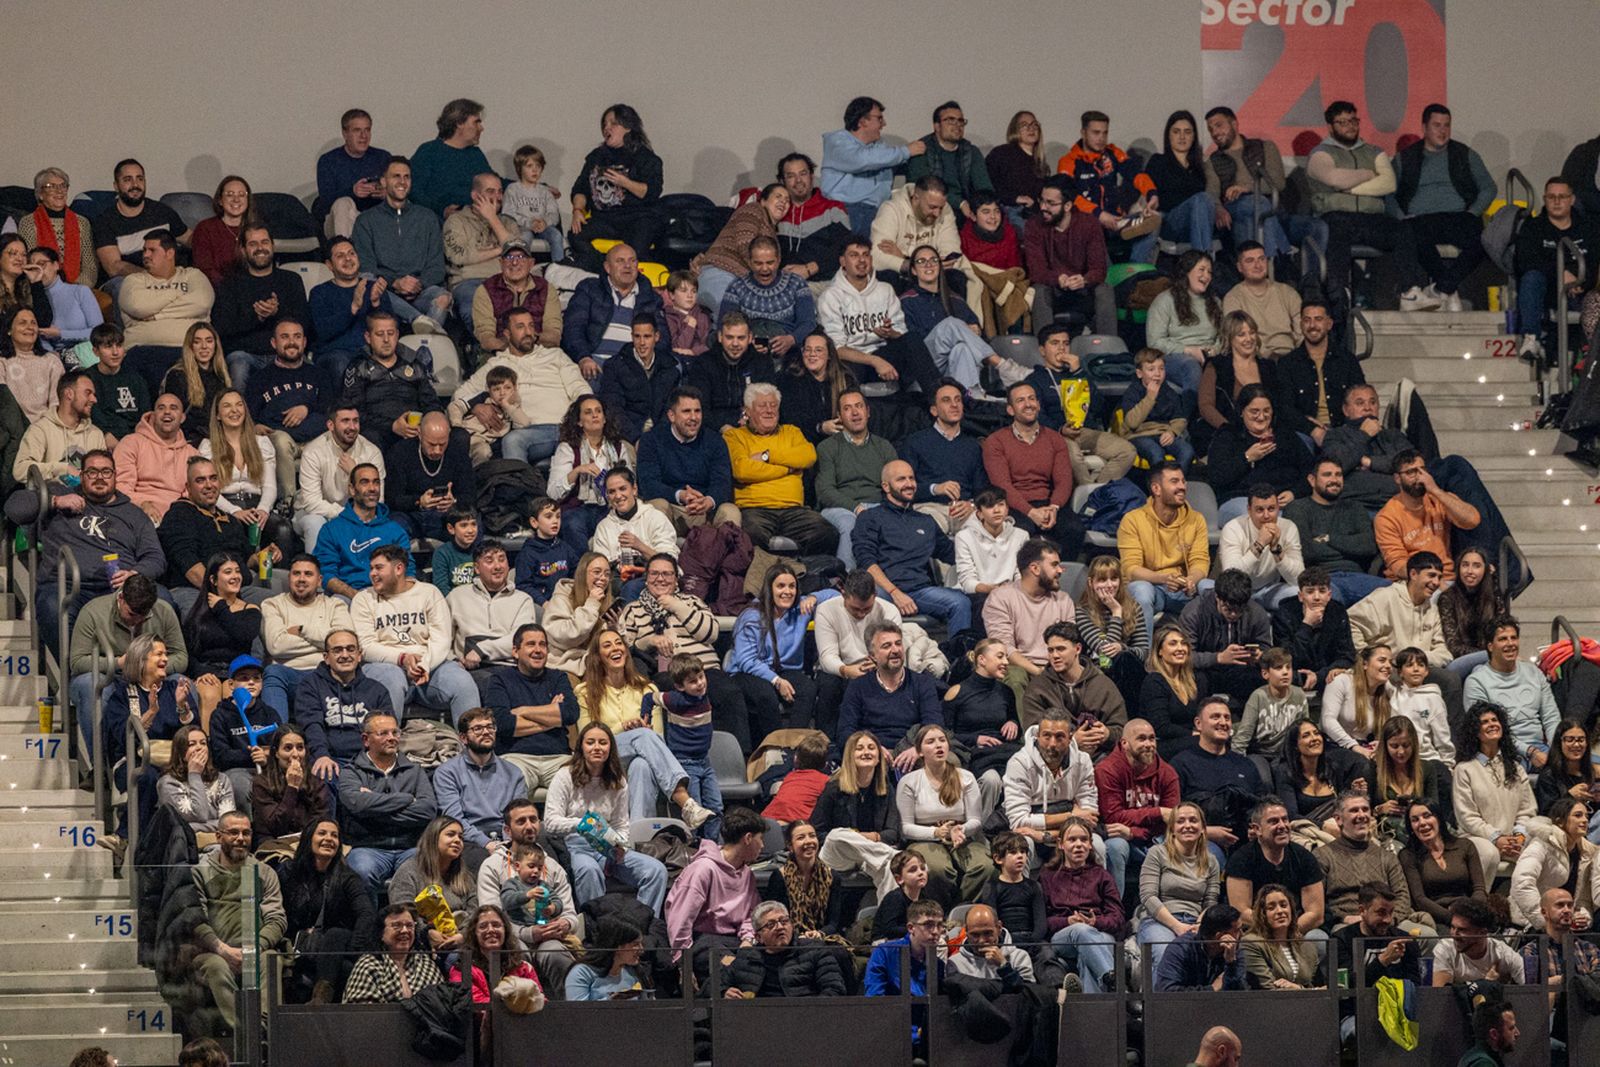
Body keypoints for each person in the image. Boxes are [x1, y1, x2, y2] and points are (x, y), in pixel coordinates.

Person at [3, 448, 166, 653]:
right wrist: (54, 502)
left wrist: (134, 574)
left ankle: (138, 666)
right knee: (52, 606)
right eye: (92, 472)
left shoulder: (133, 513)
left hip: (119, 588)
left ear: (115, 476)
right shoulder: (60, 494)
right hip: (65, 585)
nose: (99, 477)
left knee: (162, 599)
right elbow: (14, 508)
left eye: (106, 472)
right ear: (81, 476)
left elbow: (155, 557)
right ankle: (80, 668)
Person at [573, 627, 715, 829]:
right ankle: (683, 799)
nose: (615, 648)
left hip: (637, 757)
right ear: (598, 656)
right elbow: (586, 737)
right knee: (642, 735)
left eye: (619, 643)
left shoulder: (647, 688)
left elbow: (658, 738)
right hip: (601, 757)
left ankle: (638, 835)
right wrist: (624, 728)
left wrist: (643, 730)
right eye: (607, 645)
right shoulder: (584, 692)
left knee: (642, 764)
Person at [1306, 101, 1432, 315]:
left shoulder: (1374, 152)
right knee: (1335, 230)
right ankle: (1339, 295)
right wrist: (1367, 174)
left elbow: (1388, 184)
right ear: (1330, 127)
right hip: (1335, 215)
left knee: (1403, 229)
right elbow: (1334, 178)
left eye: (1353, 121)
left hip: (1371, 217)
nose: (1350, 126)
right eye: (1342, 122)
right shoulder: (1320, 154)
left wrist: (1349, 189)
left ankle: (1410, 292)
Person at [544, 722, 670, 913]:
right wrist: (583, 824)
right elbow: (550, 822)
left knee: (655, 870)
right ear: (581, 747)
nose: (597, 747)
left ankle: (643, 923)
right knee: (589, 870)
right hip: (576, 846)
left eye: (603, 742)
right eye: (590, 742)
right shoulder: (565, 776)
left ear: (610, 747)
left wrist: (620, 845)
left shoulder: (618, 780)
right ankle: (598, 926)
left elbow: (621, 823)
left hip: (607, 845)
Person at [351, 544, 477, 724]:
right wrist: (402, 658)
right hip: (383, 666)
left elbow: (441, 639)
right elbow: (366, 647)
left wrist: (424, 665)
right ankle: (387, 740)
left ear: (399, 569)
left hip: (430, 666)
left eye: (379, 568)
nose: (372, 573)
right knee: (391, 677)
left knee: (462, 681)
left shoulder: (429, 593)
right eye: (371, 568)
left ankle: (473, 741)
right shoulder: (363, 599)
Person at [453, 310, 591, 468]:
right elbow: (459, 394)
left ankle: (521, 482)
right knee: (512, 440)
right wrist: (476, 407)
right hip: (528, 433)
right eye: (520, 327)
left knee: (513, 440)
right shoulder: (497, 364)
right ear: (507, 334)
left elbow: (580, 389)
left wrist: (585, 418)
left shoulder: (555, 355)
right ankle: (521, 483)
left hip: (564, 427)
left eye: (531, 326)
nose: (528, 332)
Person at [1394, 105, 1495, 312]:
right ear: (1424, 127)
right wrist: (1400, 216)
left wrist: (1473, 211)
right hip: (1420, 218)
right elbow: (1388, 194)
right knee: (1412, 234)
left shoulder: (1465, 154)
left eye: (1447, 125)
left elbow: (1488, 187)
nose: (1443, 131)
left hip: (1458, 216)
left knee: (1484, 241)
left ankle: (1442, 287)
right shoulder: (1405, 158)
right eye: (1437, 125)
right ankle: (1449, 289)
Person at [191, 811, 286, 1031]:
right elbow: (196, 920)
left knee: (271, 960)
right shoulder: (200, 872)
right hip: (214, 952)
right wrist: (222, 950)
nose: (240, 838)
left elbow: (277, 919)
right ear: (218, 836)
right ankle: (246, 1031)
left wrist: (255, 948)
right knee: (216, 966)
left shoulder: (265, 872)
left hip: (256, 950)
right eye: (233, 832)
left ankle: (265, 1028)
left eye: (246, 833)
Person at [854, 458, 971, 631]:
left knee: (960, 602)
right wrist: (895, 592)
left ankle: (958, 648)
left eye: (912, 478)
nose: (909, 484)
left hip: (919, 591)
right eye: (901, 479)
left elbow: (954, 554)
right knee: (871, 598)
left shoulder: (926, 521)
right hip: (882, 590)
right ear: (886, 486)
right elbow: (866, 562)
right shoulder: (870, 517)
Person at [816, 237, 941, 396]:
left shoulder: (885, 290)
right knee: (843, 370)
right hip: (853, 360)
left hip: (882, 352)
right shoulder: (830, 297)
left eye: (866, 254)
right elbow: (836, 349)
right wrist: (875, 361)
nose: (862, 260)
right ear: (843, 261)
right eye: (854, 255)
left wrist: (890, 333)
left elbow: (901, 333)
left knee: (912, 339)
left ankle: (938, 398)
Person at [477, 801, 581, 991]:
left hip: (549, 936)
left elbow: (570, 914)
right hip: (512, 937)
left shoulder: (553, 866)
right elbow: (491, 918)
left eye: (533, 820)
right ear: (507, 830)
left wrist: (565, 924)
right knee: (518, 952)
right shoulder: (492, 866)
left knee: (555, 952)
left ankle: (568, 1007)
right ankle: (516, 1008)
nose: (529, 826)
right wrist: (528, 933)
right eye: (521, 821)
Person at [723, 381, 837, 554]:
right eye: (762, 405)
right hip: (754, 510)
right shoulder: (734, 436)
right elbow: (742, 470)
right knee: (749, 535)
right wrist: (789, 469)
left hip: (794, 511)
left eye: (773, 405)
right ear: (747, 411)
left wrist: (767, 456)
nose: (769, 410)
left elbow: (809, 455)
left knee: (827, 534)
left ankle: (804, 569)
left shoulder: (792, 432)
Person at [337, 711, 438, 898]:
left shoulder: (414, 771)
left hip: (410, 847)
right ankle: (367, 918)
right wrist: (407, 799)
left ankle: (414, 918)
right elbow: (358, 805)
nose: (391, 738)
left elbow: (428, 811)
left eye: (395, 732)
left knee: (427, 869)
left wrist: (373, 807)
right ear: (366, 740)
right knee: (361, 871)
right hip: (367, 848)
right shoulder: (351, 772)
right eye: (383, 733)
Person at [159, 457, 278, 613]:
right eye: (200, 480)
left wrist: (263, 556)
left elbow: (246, 560)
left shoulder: (230, 520)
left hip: (238, 591)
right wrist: (225, 600)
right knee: (206, 618)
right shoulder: (179, 515)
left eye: (213, 478)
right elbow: (191, 568)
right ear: (188, 487)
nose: (209, 485)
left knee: (279, 605)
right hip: (194, 590)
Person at [276, 817, 374, 1003]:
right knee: (343, 969)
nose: (329, 839)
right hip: (298, 946)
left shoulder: (347, 877)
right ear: (308, 838)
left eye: (334, 835)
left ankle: (320, 998)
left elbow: (366, 914)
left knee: (335, 935)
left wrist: (354, 951)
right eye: (322, 833)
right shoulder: (289, 873)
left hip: (338, 947)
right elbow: (280, 913)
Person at [1026, 322, 1137, 485]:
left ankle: (1097, 492)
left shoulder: (1078, 373)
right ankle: (1088, 495)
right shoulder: (1034, 380)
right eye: (1055, 343)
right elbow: (1037, 416)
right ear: (1042, 350)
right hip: (1057, 434)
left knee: (1127, 451)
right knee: (1074, 455)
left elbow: (1098, 406)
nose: (1061, 349)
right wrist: (1061, 429)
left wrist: (1079, 373)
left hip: (1085, 431)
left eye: (1065, 344)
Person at [349, 156, 451, 332]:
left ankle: (424, 337)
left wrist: (418, 284)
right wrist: (395, 282)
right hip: (385, 292)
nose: (402, 182)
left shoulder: (427, 217)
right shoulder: (365, 221)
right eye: (396, 176)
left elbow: (437, 267)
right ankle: (420, 322)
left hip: (420, 291)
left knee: (443, 297)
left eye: (407, 177)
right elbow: (366, 266)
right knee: (369, 284)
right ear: (383, 181)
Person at [1116, 462, 1213, 645]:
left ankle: (1209, 654)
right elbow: (1131, 569)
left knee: (1210, 587)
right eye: (1174, 481)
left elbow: (1200, 561)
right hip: (1153, 587)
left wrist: (1191, 579)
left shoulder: (1196, 519)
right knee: (1141, 589)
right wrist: (1163, 578)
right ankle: (1143, 655)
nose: (1182, 486)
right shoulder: (1133, 520)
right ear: (1156, 489)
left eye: (1183, 481)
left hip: (1183, 589)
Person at [899, 723, 995, 907]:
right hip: (924, 838)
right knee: (937, 869)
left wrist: (961, 829)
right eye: (930, 742)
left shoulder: (965, 777)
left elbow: (976, 820)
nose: (938, 745)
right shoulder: (909, 782)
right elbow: (906, 828)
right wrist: (936, 832)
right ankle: (939, 911)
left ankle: (960, 910)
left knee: (986, 866)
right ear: (919, 751)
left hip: (960, 836)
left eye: (942, 740)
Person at [983, 382, 1081, 550]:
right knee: (1022, 532)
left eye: (1032, 399)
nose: (1028, 404)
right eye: (1021, 400)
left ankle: (1061, 567)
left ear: (1038, 405)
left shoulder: (1055, 439)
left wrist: (1053, 508)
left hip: (1048, 502)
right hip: (1013, 504)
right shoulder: (995, 441)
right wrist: (1031, 512)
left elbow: (1064, 481)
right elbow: (1002, 485)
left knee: (1074, 529)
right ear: (1010, 410)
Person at [664, 806, 762, 974]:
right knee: (733, 970)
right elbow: (681, 920)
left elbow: (751, 915)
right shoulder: (702, 869)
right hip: (703, 941)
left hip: (735, 940)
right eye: (760, 839)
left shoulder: (747, 873)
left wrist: (747, 940)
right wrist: (683, 964)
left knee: (762, 964)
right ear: (748, 838)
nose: (763, 845)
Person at [1317, 791, 1435, 931]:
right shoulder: (1323, 855)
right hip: (1347, 923)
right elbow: (1318, 904)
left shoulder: (1387, 856)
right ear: (1338, 819)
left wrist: (1388, 919)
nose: (1361, 815)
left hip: (1388, 922)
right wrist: (1343, 917)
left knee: (1427, 935)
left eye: (1365, 809)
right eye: (1354, 810)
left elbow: (1402, 897)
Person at [213, 224, 311, 391]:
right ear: (243, 250)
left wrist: (277, 313)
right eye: (253, 244)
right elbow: (222, 327)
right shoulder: (230, 284)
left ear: (272, 246)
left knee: (313, 371)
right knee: (239, 365)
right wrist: (256, 317)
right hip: (245, 355)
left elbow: (305, 322)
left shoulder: (291, 280)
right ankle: (238, 408)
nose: (260, 248)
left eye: (264, 242)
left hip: (285, 353)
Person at [569, 104, 666, 272]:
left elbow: (651, 192)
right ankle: (604, 267)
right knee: (575, 235)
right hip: (605, 218)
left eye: (613, 123)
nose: (607, 128)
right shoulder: (596, 157)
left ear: (628, 127)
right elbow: (580, 189)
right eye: (604, 124)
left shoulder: (645, 157)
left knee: (637, 249)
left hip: (636, 218)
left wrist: (625, 182)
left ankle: (622, 271)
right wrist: (577, 210)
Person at [832, 620, 943, 763]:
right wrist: (871, 748)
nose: (895, 650)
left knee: (946, 760)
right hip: (873, 752)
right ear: (872, 656)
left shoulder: (922, 683)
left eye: (898, 643)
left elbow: (934, 724)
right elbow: (845, 731)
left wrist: (919, 748)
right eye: (887, 646)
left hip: (912, 749)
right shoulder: (858, 686)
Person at [1516, 177, 1600, 363]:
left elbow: (1594, 262)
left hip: (1582, 290)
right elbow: (1526, 261)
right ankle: (1530, 338)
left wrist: (1580, 281)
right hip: (1547, 292)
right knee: (1531, 278)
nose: (1556, 201)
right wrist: (1560, 273)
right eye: (1551, 197)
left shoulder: (1588, 228)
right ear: (1545, 199)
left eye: (1562, 196)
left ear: (1572, 199)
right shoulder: (1533, 227)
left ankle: (1592, 355)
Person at [1204, 358, 1310, 505]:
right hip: (1241, 499)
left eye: (1266, 411)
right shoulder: (1228, 436)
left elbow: (1310, 470)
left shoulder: (1285, 435)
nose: (1261, 417)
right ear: (1242, 412)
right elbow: (1217, 477)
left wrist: (1294, 493)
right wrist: (1247, 457)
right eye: (1254, 411)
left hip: (1284, 500)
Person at [871, 177, 983, 315]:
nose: (937, 213)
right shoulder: (891, 209)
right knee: (888, 276)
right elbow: (876, 257)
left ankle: (958, 324)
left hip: (934, 273)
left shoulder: (945, 210)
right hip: (903, 275)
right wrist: (912, 265)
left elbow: (950, 253)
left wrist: (905, 257)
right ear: (916, 198)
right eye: (932, 207)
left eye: (940, 208)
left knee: (956, 277)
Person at [1454, 702, 1539, 882]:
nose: (1492, 724)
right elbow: (1467, 817)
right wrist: (1497, 838)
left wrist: (1519, 836)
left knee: (1539, 852)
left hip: (1512, 838)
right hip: (1477, 838)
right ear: (1475, 731)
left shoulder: (1516, 768)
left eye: (1494, 720)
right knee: (1489, 852)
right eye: (1484, 722)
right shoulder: (1464, 769)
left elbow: (1526, 811)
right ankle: (1478, 899)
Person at [1282, 459, 1386, 605]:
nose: (1334, 480)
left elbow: (1368, 547)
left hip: (1358, 576)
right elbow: (1307, 552)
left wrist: (1328, 539)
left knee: (1397, 593)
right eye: (1327, 475)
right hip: (1320, 579)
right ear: (1312, 480)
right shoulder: (1297, 509)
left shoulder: (1355, 508)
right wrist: (1350, 546)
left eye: (1338, 475)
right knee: (1328, 600)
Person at [118, 232, 215, 388]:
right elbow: (139, 306)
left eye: (152, 250)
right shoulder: (134, 280)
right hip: (142, 351)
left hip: (188, 350)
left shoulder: (192, 275)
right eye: (144, 250)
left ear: (170, 253)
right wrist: (176, 293)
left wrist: (157, 315)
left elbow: (202, 302)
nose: (146, 255)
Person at [245, 320, 331, 497]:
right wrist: (255, 426)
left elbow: (330, 409)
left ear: (304, 342)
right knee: (281, 440)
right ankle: (288, 502)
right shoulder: (260, 378)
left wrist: (306, 408)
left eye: (297, 337)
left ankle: (330, 502)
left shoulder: (319, 375)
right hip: (282, 440)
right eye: (285, 337)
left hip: (315, 439)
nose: (292, 342)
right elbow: (250, 415)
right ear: (274, 343)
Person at [340, 309, 442, 456]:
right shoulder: (358, 367)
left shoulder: (414, 363)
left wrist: (426, 424)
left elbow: (432, 403)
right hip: (377, 432)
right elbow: (353, 412)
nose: (386, 340)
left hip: (414, 430)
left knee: (456, 435)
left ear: (397, 335)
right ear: (368, 337)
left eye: (391, 333)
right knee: (370, 438)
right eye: (380, 334)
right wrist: (392, 426)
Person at [1001, 708, 1100, 858]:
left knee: (1098, 846)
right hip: (1036, 836)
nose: (1052, 743)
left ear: (1070, 738)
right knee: (1022, 843)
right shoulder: (1019, 763)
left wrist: (1046, 835)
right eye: (1047, 736)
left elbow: (1089, 817)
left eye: (1059, 737)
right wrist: (1071, 816)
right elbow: (1019, 822)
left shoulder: (1083, 761)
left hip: (1065, 834)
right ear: (1038, 736)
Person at [1224, 798, 1326, 944]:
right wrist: (1273, 931)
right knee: (1249, 942)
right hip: (1256, 931)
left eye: (1285, 819)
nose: (1282, 826)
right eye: (1274, 821)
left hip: (1297, 931)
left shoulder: (1304, 857)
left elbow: (1316, 914)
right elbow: (1240, 911)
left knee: (1318, 938)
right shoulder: (1241, 859)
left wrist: (1286, 932)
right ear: (1257, 829)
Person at [637, 387, 738, 532]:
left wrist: (709, 501)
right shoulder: (651, 440)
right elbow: (649, 484)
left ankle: (727, 548)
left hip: (706, 509)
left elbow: (723, 483)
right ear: (671, 416)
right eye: (686, 411)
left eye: (697, 411)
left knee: (730, 511)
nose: (693, 417)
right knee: (657, 506)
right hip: (673, 507)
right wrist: (681, 495)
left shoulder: (715, 441)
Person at [821, 96, 926, 236]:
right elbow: (861, 160)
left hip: (878, 212)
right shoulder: (837, 143)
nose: (884, 124)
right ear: (863, 121)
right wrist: (906, 151)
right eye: (879, 118)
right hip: (848, 211)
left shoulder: (880, 148)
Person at [1465, 617, 1560, 770]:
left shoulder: (1534, 672)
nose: (1510, 644)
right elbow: (1486, 730)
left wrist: (1558, 749)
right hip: (1502, 749)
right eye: (1503, 639)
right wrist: (1530, 751)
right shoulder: (1476, 682)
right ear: (1490, 646)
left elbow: (1551, 717)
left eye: (1514, 638)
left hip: (1541, 747)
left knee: (1590, 765)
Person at [433, 709, 529, 860]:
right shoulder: (447, 772)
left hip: (508, 837)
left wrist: (507, 843)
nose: (486, 732)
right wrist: (487, 843)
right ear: (463, 738)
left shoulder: (513, 772)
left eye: (490, 727)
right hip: (468, 839)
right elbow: (454, 819)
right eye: (478, 728)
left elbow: (519, 814)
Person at [1042, 815, 1124, 992]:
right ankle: (1117, 985)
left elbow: (1117, 918)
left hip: (1099, 932)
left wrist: (1095, 922)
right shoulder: (1047, 877)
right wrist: (1067, 921)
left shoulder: (1101, 875)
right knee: (1081, 931)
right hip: (1063, 937)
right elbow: (1042, 922)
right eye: (1072, 840)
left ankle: (1093, 1006)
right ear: (1061, 844)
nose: (1078, 844)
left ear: (1090, 844)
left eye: (1084, 839)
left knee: (1087, 954)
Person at [1024, 176, 1115, 335]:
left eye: (1051, 203)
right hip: (1052, 288)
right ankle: (1044, 344)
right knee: (1039, 290)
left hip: (1083, 289)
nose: (1043, 207)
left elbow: (1099, 269)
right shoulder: (1034, 225)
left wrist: (1084, 280)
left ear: (1067, 206)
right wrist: (1058, 278)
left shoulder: (1089, 224)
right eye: (1042, 201)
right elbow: (1036, 271)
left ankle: (1107, 345)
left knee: (1104, 290)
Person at [1136, 801, 1220, 973]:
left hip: (1195, 923)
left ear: (1202, 828)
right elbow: (1148, 897)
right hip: (1159, 921)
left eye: (1193, 820)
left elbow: (1210, 902)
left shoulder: (1211, 861)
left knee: (1201, 957)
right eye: (1181, 821)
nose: (1187, 825)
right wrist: (1177, 926)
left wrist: (1199, 925)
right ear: (1172, 829)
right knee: (1167, 954)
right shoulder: (1157, 853)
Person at [292, 402, 385, 552]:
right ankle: (316, 567)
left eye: (355, 421)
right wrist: (347, 515)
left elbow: (376, 500)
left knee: (376, 523)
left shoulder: (371, 452)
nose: (352, 427)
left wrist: (355, 472)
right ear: (331, 425)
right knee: (315, 523)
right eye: (345, 421)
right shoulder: (313, 452)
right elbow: (312, 502)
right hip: (316, 513)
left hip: (359, 515)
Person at [900, 379, 990, 534]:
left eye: (958, 400)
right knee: (928, 530)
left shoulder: (973, 446)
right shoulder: (915, 442)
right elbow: (902, 488)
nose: (954, 405)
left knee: (992, 529)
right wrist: (936, 488)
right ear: (934, 410)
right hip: (930, 508)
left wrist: (972, 504)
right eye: (946, 400)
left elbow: (981, 488)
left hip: (965, 510)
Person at [1374, 452, 1481, 581]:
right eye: (1411, 472)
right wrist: (1432, 579)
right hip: (1411, 581)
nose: (1419, 477)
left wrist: (1436, 490)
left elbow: (1472, 521)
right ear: (1397, 478)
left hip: (1447, 578)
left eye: (1422, 470)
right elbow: (1399, 565)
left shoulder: (1438, 499)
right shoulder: (1386, 517)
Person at [1021, 620, 1127, 749]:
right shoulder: (1038, 687)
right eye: (1050, 650)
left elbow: (1122, 730)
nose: (1055, 655)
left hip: (1099, 754)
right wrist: (1071, 741)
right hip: (1055, 756)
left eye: (1061, 649)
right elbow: (1032, 734)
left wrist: (1107, 734)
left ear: (1077, 649)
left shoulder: (1102, 684)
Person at [1134, 110, 1222, 265]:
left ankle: (1202, 265)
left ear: (1194, 136)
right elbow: (1147, 193)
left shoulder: (1201, 166)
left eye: (1187, 132)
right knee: (1200, 199)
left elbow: (1212, 193)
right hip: (1169, 222)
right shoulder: (1158, 161)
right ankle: (1203, 264)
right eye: (1176, 132)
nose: (1182, 137)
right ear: (1169, 136)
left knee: (1203, 201)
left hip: (1198, 222)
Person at [1178, 569, 1274, 708]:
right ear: (1217, 597)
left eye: (1239, 610)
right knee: (1195, 679)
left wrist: (1260, 656)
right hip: (1205, 671)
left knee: (1263, 677)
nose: (1234, 614)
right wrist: (1218, 658)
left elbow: (1266, 648)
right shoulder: (1194, 612)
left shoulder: (1256, 613)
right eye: (1228, 609)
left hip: (1240, 670)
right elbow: (1184, 656)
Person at [313, 463, 409, 599]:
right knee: (338, 602)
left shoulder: (395, 530)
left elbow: (407, 570)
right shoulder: (331, 530)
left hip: (388, 596)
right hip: (347, 596)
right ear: (352, 489)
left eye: (376, 482)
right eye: (365, 482)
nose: (372, 488)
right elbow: (326, 574)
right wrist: (358, 597)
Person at [716, 900, 848, 998]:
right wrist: (724, 992)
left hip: (805, 1017)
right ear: (758, 937)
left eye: (784, 921)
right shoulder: (745, 957)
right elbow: (714, 986)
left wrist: (811, 1012)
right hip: (758, 1019)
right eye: (771, 924)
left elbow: (834, 989)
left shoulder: (814, 949)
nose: (780, 927)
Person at [1348, 552, 1452, 675]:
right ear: (1413, 574)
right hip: (1387, 671)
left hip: (1418, 671)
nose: (1436, 582)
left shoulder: (1433, 610)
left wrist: (1414, 659)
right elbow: (1350, 623)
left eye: (1439, 577)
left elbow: (1444, 652)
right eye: (1431, 575)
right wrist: (1369, 658)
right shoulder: (1386, 597)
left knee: (1449, 677)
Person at [1278, 302, 1365, 446]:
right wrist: (1312, 429)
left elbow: (1361, 397)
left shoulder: (1347, 360)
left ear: (1329, 324)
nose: (1312, 325)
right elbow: (1285, 408)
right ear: (1301, 325)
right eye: (1307, 320)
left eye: (1318, 319)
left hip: (1343, 430)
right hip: (1304, 432)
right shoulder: (1288, 363)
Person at [694, 182, 788, 315]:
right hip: (722, 273)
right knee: (732, 317)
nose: (783, 202)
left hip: (739, 282)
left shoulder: (772, 233)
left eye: (787, 200)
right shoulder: (754, 209)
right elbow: (745, 244)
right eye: (778, 196)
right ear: (763, 201)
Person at [92, 159, 189, 285]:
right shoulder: (104, 221)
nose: (135, 185)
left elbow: (190, 239)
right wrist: (152, 277)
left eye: (140, 179)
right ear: (116, 186)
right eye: (127, 179)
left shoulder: (162, 212)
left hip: (169, 280)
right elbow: (114, 267)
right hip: (128, 281)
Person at [382, 411, 475, 543]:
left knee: (471, 525)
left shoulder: (458, 453)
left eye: (442, 444)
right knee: (393, 527)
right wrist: (419, 501)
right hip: (411, 514)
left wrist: (454, 501)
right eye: (431, 444)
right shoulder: (400, 452)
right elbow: (393, 499)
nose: (437, 450)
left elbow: (470, 495)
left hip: (446, 516)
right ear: (420, 434)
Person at [440, 173, 521, 323]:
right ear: (475, 195)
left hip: (504, 281)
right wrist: (500, 250)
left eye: (500, 191)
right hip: (468, 281)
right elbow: (459, 256)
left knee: (520, 315)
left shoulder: (508, 223)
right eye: (490, 191)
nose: (497, 197)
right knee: (476, 311)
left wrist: (492, 218)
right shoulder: (456, 221)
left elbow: (516, 254)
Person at [388, 815, 477, 950]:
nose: (457, 840)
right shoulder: (409, 870)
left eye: (461, 837)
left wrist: (462, 936)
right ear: (433, 838)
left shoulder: (464, 876)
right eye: (450, 834)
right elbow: (402, 910)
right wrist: (426, 933)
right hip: (418, 944)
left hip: (460, 943)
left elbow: (474, 911)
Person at [1144, 250, 1220, 396]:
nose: (1206, 276)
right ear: (1187, 271)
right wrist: (1188, 350)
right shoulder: (1164, 300)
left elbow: (1223, 336)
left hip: (1209, 356)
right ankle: (1191, 409)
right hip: (1175, 358)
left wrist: (1213, 350)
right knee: (1191, 366)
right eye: (1201, 270)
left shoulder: (1215, 302)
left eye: (1209, 272)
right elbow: (1154, 342)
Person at [113, 391, 196, 523]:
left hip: (179, 517)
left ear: (182, 417)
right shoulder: (131, 443)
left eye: (173, 408)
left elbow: (193, 494)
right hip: (137, 513)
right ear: (153, 415)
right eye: (161, 408)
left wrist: (179, 513)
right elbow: (120, 487)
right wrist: (142, 504)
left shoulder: (192, 454)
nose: (167, 412)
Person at [467, 240, 562, 355]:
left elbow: (553, 336)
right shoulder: (486, 290)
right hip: (500, 354)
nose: (515, 262)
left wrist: (527, 341)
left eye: (521, 257)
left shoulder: (546, 289)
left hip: (541, 352)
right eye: (509, 257)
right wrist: (516, 345)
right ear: (501, 263)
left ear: (531, 263)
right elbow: (487, 340)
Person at [1273, 717, 1373, 825]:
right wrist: (1322, 826)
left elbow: (1341, 808)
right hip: (1305, 830)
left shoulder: (1332, 768)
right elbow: (1291, 816)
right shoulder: (1285, 773)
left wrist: (1355, 793)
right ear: (1295, 745)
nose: (1314, 738)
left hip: (1336, 827)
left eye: (1316, 733)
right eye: (1306, 735)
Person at [1218, 484, 1304, 608]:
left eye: (1271, 509)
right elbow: (1231, 578)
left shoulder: (1289, 527)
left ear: (1278, 508)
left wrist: (1276, 550)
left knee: (1300, 594)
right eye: (1259, 510)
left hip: (1270, 590)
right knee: (1205, 586)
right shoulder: (1233, 528)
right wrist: (1259, 544)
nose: (1266, 516)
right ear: (1249, 510)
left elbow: (1298, 579)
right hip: (1237, 593)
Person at [12, 369, 105, 483]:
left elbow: (105, 472)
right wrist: (62, 469)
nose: (94, 399)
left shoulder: (96, 434)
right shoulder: (41, 430)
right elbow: (20, 470)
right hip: (52, 493)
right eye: (88, 393)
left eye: (93, 395)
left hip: (88, 494)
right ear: (69, 394)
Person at [1331, 882, 1423, 995]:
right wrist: (1383, 960)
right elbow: (1346, 986)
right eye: (1381, 913)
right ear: (1362, 910)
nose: (1388, 920)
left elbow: (1416, 986)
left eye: (1391, 912)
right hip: (1358, 1005)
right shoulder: (1342, 940)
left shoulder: (1404, 940)